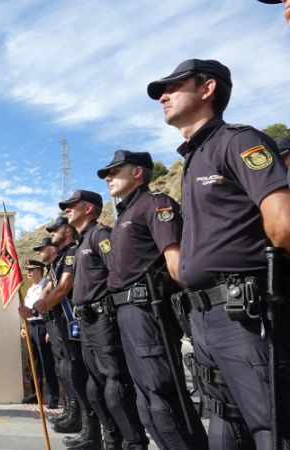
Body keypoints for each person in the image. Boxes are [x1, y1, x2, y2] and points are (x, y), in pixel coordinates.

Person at [148, 58, 290, 449]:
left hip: (243, 314)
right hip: (205, 317)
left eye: (174, 86)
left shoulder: (238, 140)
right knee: (226, 428)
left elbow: (283, 224)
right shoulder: (195, 158)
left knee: (271, 429)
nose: (163, 95)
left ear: (207, 89)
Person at [98, 150, 208, 450]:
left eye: (114, 170)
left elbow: (177, 263)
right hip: (126, 313)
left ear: (137, 172)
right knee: (146, 401)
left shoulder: (155, 203)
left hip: (147, 311)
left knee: (163, 395)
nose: (108, 177)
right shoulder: (125, 214)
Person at [60, 190, 148, 450]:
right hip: (86, 322)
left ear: (89, 208)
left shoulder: (101, 235)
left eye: (71, 206)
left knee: (115, 387)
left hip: (103, 320)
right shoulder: (82, 242)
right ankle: (111, 441)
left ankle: (134, 443)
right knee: (95, 389)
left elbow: (119, 273)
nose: (67, 210)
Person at [31, 219, 100, 447]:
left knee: (79, 374)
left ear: (68, 231)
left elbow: (63, 288)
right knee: (67, 371)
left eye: (54, 230)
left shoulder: (72, 252)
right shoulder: (60, 259)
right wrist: (36, 306)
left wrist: (40, 306)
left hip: (73, 321)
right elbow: (50, 288)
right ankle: (76, 418)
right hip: (59, 322)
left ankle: (89, 429)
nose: (50, 234)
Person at [16, 251, 60, 411]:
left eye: (32, 270)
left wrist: (49, 328)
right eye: (27, 270)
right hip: (31, 326)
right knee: (33, 363)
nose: (28, 272)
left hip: (43, 325)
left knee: (46, 361)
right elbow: (26, 311)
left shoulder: (45, 285)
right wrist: (23, 326)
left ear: (40, 271)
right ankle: (36, 394)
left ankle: (53, 395)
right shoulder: (29, 290)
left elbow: (50, 308)